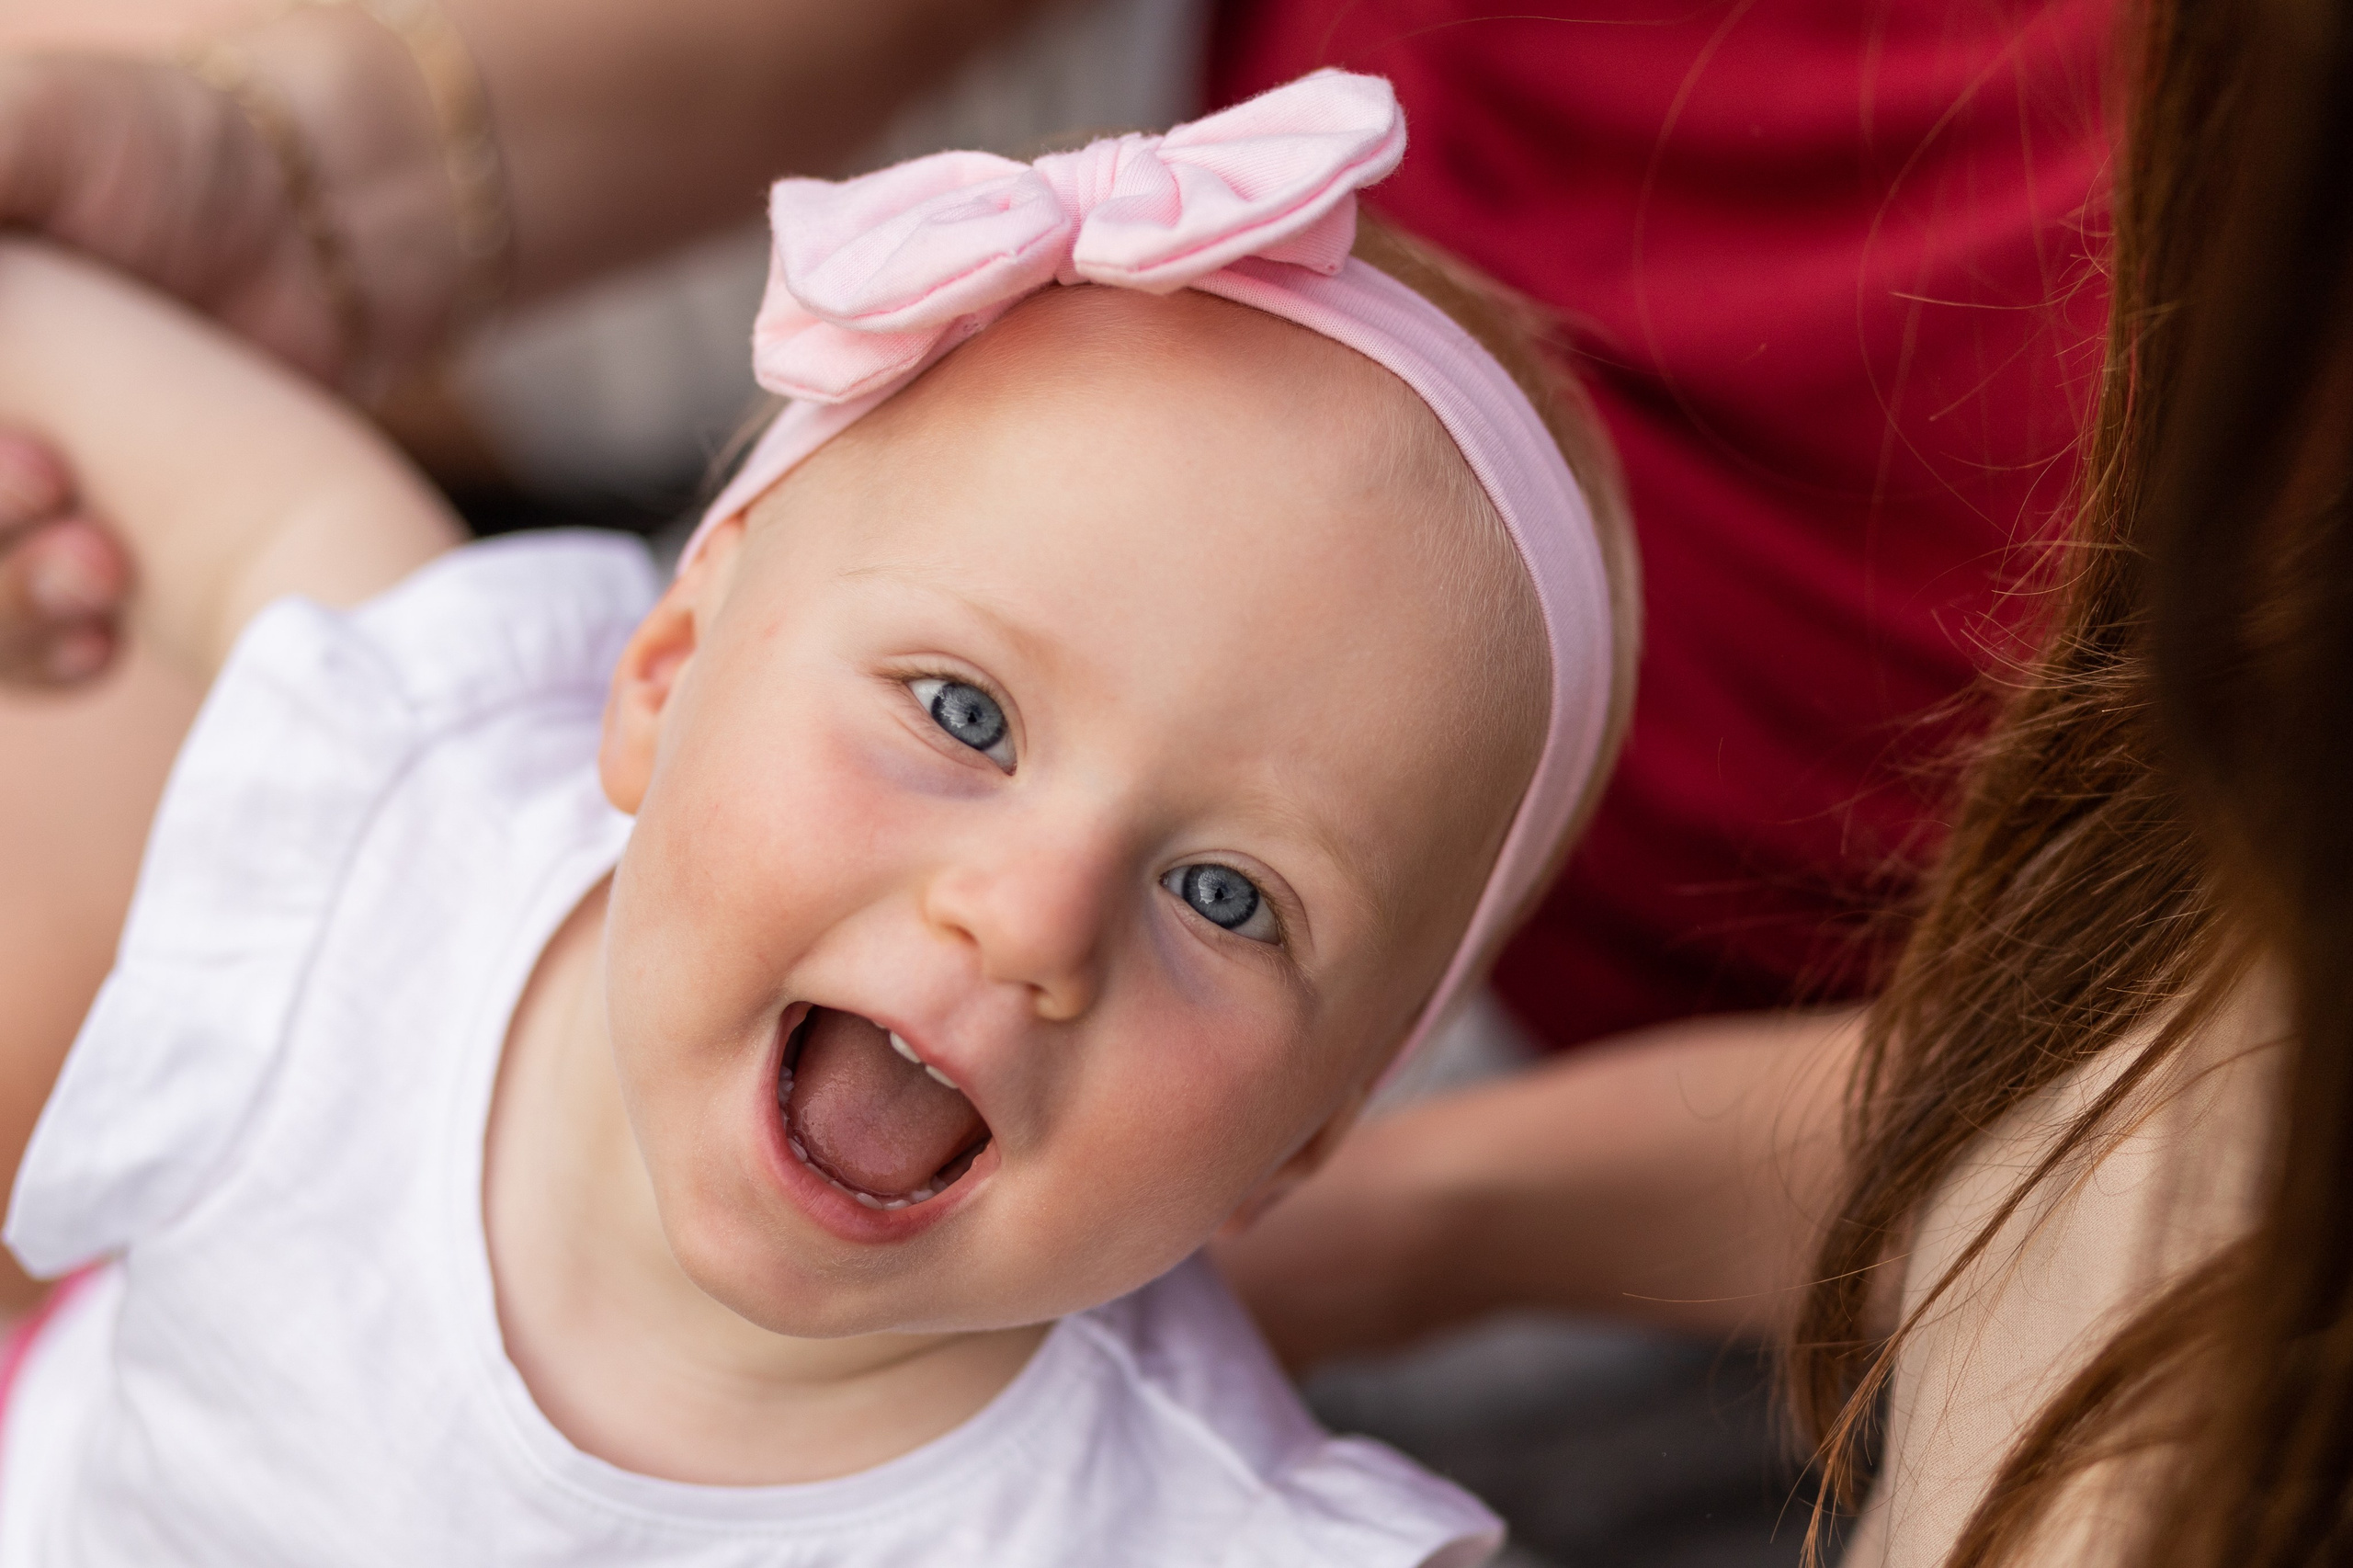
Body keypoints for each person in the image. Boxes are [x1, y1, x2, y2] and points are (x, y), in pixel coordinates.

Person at [0, 75, 1637, 1564]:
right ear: (668, 664)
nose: (1033, 914)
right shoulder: (412, 809)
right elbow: (161, 424)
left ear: (1307, 1133)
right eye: (965, 712)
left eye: (1226, 893)